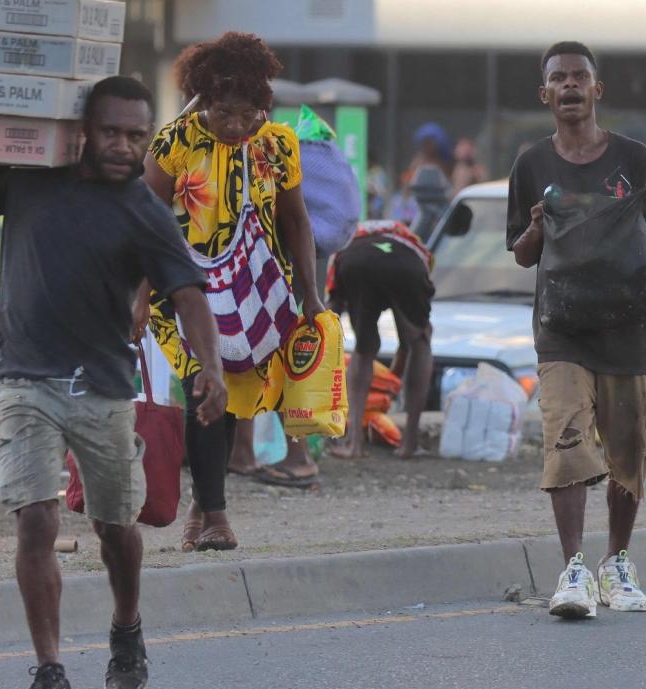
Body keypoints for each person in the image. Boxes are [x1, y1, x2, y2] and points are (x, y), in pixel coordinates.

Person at [0, 77, 227, 689]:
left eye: (136, 136)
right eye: (111, 132)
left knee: (115, 528)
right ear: (83, 130)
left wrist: (212, 367)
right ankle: (49, 672)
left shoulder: (143, 209)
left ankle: (127, 628)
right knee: (35, 518)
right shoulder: (30, 180)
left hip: (105, 388)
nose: (123, 146)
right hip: (26, 381)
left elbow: (189, 295)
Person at [134, 32, 325, 552]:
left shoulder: (278, 142)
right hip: (181, 292)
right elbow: (144, 223)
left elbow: (297, 220)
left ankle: (201, 506)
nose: (237, 124)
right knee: (203, 383)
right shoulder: (176, 142)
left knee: (234, 391)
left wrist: (312, 294)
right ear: (205, 99)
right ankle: (217, 516)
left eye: (248, 113)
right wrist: (136, 297)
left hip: (252, 293)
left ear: (263, 105)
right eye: (224, 112)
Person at [507, 41, 646, 618]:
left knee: (629, 450)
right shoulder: (531, 165)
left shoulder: (633, 157)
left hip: (631, 331)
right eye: (560, 78)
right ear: (546, 94)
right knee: (566, 438)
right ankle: (574, 571)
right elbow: (523, 255)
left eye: (581, 76)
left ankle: (618, 562)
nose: (571, 86)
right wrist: (535, 225)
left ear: (597, 90)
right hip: (563, 331)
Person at [327, 220, 434, 460]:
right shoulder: (413, 244)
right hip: (406, 266)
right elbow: (410, 343)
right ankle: (409, 444)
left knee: (363, 350)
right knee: (420, 341)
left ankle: (354, 443)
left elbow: (332, 306)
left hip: (357, 262)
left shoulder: (348, 240)